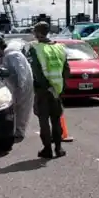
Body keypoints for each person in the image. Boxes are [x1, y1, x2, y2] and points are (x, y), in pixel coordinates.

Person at [27, 21, 70, 159]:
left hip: (43, 91)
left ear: (38, 33)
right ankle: (58, 148)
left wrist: (47, 87)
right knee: (56, 120)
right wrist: (60, 87)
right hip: (57, 90)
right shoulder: (60, 48)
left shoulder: (36, 49)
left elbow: (37, 72)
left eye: (34, 32)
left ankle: (47, 149)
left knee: (44, 121)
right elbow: (66, 70)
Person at [0, 34, 34, 142]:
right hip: (18, 87)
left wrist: (21, 86)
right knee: (17, 109)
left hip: (22, 87)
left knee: (22, 109)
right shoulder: (7, 55)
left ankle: (19, 132)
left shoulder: (13, 55)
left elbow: (21, 71)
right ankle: (17, 130)